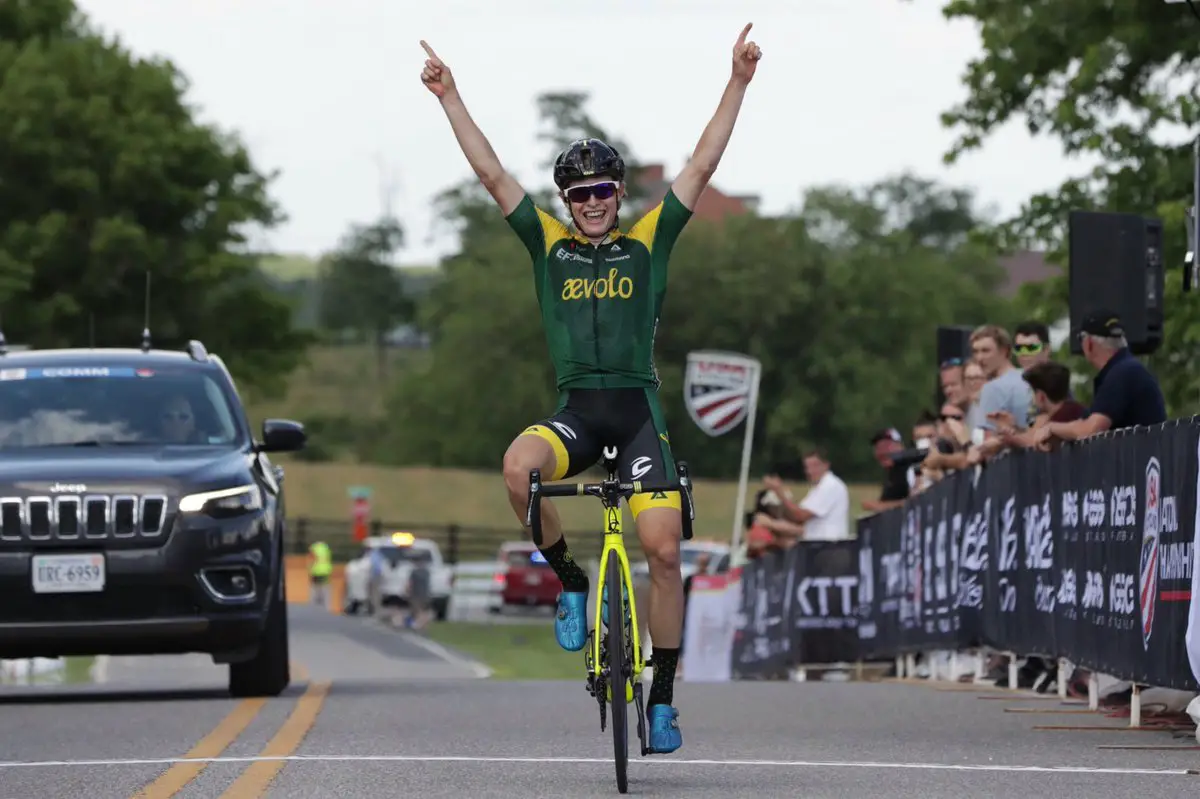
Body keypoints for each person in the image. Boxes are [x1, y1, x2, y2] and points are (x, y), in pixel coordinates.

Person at [419, 24, 762, 754]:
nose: (594, 202)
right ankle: (571, 579)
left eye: (604, 190)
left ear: (617, 193)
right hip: (578, 412)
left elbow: (702, 163)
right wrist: (451, 97)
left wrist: (737, 81)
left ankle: (663, 698)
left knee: (663, 551)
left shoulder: (647, 241)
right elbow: (491, 176)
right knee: (519, 468)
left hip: (637, 413)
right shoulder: (547, 244)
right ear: (567, 201)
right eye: (580, 194)